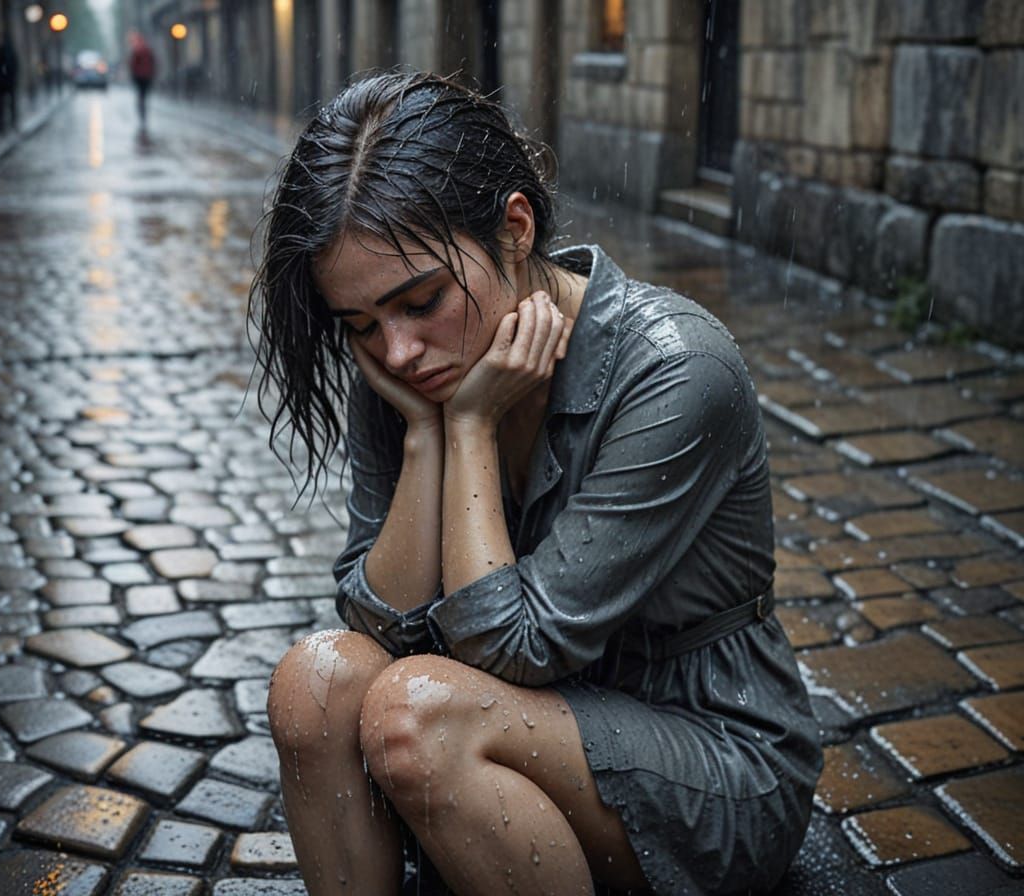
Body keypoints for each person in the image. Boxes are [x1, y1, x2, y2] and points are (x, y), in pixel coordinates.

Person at [253, 70, 821, 896]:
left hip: (706, 763)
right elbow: (384, 628)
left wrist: (473, 426)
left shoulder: (676, 370)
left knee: (416, 714)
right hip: (508, 731)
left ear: (515, 228)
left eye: (423, 300)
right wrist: (426, 435)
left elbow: (513, 650)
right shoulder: (407, 372)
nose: (399, 351)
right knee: (314, 683)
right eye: (362, 324)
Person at [0, 35, 19, 135]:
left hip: (2, 83)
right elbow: (16, 67)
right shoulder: (10, 51)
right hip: (8, 82)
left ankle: (1, 126)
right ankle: (12, 123)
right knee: (11, 104)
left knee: (1, 105)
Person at [128, 31, 156, 126]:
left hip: (140, 76)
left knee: (141, 95)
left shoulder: (137, 51)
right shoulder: (147, 50)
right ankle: (143, 111)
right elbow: (153, 62)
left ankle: (142, 111)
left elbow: (133, 64)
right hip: (147, 76)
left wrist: (134, 74)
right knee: (143, 95)